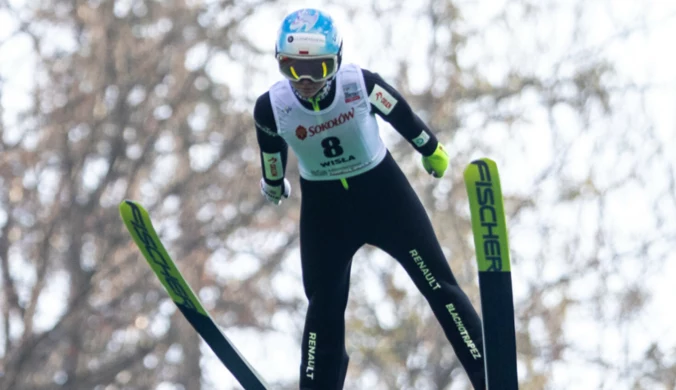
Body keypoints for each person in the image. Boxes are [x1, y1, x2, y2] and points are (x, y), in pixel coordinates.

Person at [253, 8, 486, 390]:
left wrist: (430, 148)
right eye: (293, 68)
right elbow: (270, 149)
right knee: (323, 307)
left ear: (337, 61)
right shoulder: (270, 107)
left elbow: (401, 114)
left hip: (384, 198)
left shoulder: (359, 84)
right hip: (325, 212)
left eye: (319, 68)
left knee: (437, 284)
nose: (306, 80)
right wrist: (273, 183)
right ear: (280, 64)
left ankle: (486, 374)